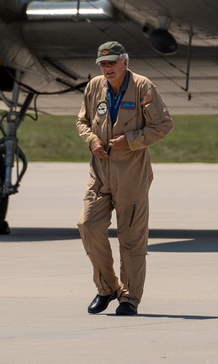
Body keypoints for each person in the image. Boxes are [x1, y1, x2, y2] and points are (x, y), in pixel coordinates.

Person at [76, 40, 174, 316]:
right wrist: (92, 139)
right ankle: (107, 287)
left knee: (131, 239)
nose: (106, 68)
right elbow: (82, 121)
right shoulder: (94, 86)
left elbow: (164, 125)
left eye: (111, 62)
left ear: (125, 62)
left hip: (131, 174)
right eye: (103, 63)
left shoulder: (143, 87)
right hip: (100, 171)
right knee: (87, 224)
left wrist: (131, 140)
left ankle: (129, 298)